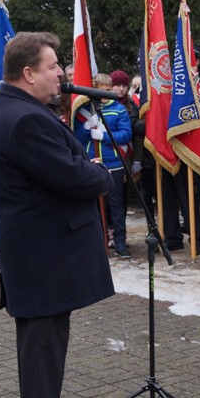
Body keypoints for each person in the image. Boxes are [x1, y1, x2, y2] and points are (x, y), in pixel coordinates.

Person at [0, 31, 112, 398]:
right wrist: (101, 175)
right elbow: (72, 175)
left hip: (40, 246)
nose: (61, 73)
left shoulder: (15, 109)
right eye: (53, 66)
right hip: (41, 251)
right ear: (27, 72)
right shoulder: (24, 120)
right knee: (40, 339)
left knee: (49, 336)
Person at [73, 72, 133, 259]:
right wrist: (85, 128)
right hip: (93, 163)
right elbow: (77, 139)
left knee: (116, 205)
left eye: (109, 91)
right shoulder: (85, 110)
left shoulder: (119, 110)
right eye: (102, 91)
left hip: (113, 164)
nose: (105, 95)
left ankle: (120, 241)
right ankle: (99, 240)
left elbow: (126, 135)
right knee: (96, 205)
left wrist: (104, 136)